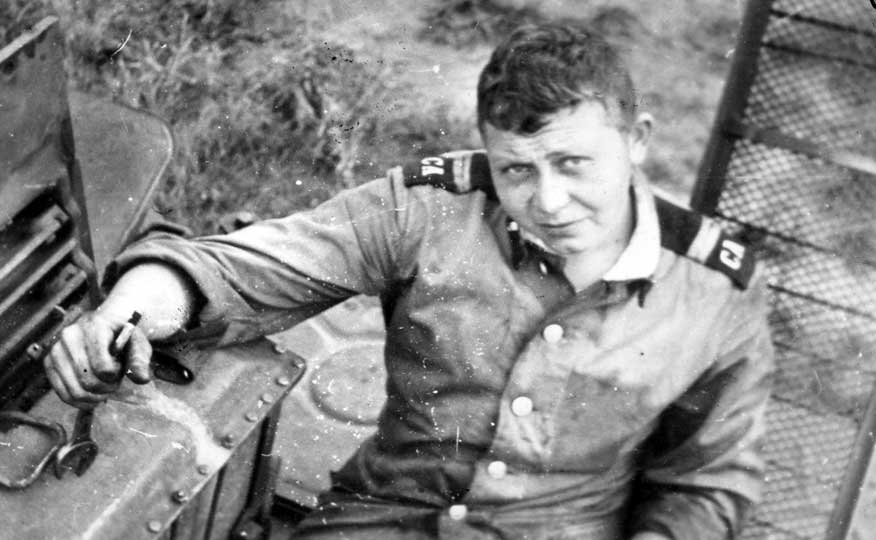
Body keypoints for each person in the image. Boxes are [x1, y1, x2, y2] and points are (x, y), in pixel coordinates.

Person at [46, 22, 774, 540]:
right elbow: (255, 266)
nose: (549, 202)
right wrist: (128, 310)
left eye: (573, 164)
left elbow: (707, 483)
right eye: (517, 170)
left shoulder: (716, 293)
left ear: (637, 141)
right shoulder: (432, 208)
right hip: (383, 520)